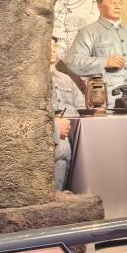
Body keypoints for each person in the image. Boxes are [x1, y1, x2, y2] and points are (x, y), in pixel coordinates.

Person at [64, 0, 127, 107]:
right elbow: (72, 61)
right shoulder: (89, 32)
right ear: (99, 6)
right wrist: (104, 62)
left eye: (120, 2)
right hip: (105, 102)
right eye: (112, 2)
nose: (118, 6)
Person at [51, 37, 83, 191]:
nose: (52, 50)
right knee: (62, 150)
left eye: (54, 46)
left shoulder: (66, 79)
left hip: (73, 136)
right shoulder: (31, 81)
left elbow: (81, 107)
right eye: (47, 45)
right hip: (53, 139)